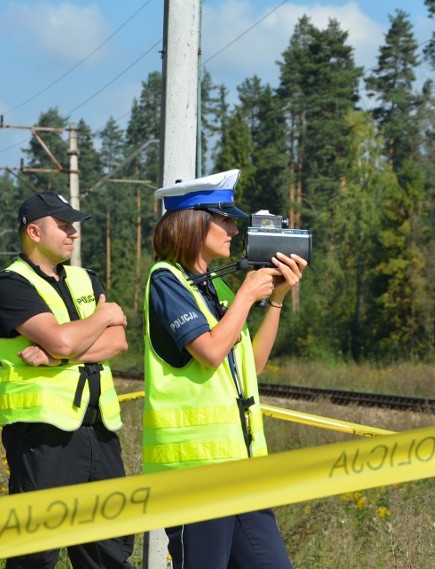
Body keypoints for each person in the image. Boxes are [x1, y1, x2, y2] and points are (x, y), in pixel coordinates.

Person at [143, 169, 307, 568]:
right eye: (226, 219)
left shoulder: (216, 289)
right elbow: (212, 352)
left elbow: (253, 364)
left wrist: (276, 301)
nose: (235, 229)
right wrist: (248, 296)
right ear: (193, 222)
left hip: (241, 467)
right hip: (196, 472)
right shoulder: (167, 281)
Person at [0, 191, 134, 569]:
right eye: (63, 225)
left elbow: (118, 343)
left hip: (98, 431)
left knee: (109, 550)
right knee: (36, 552)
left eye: (74, 226)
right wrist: (102, 317)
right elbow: (68, 337)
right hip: (43, 435)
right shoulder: (10, 285)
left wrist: (54, 354)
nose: (73, 233)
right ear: (34, 231)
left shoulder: (86, 278)